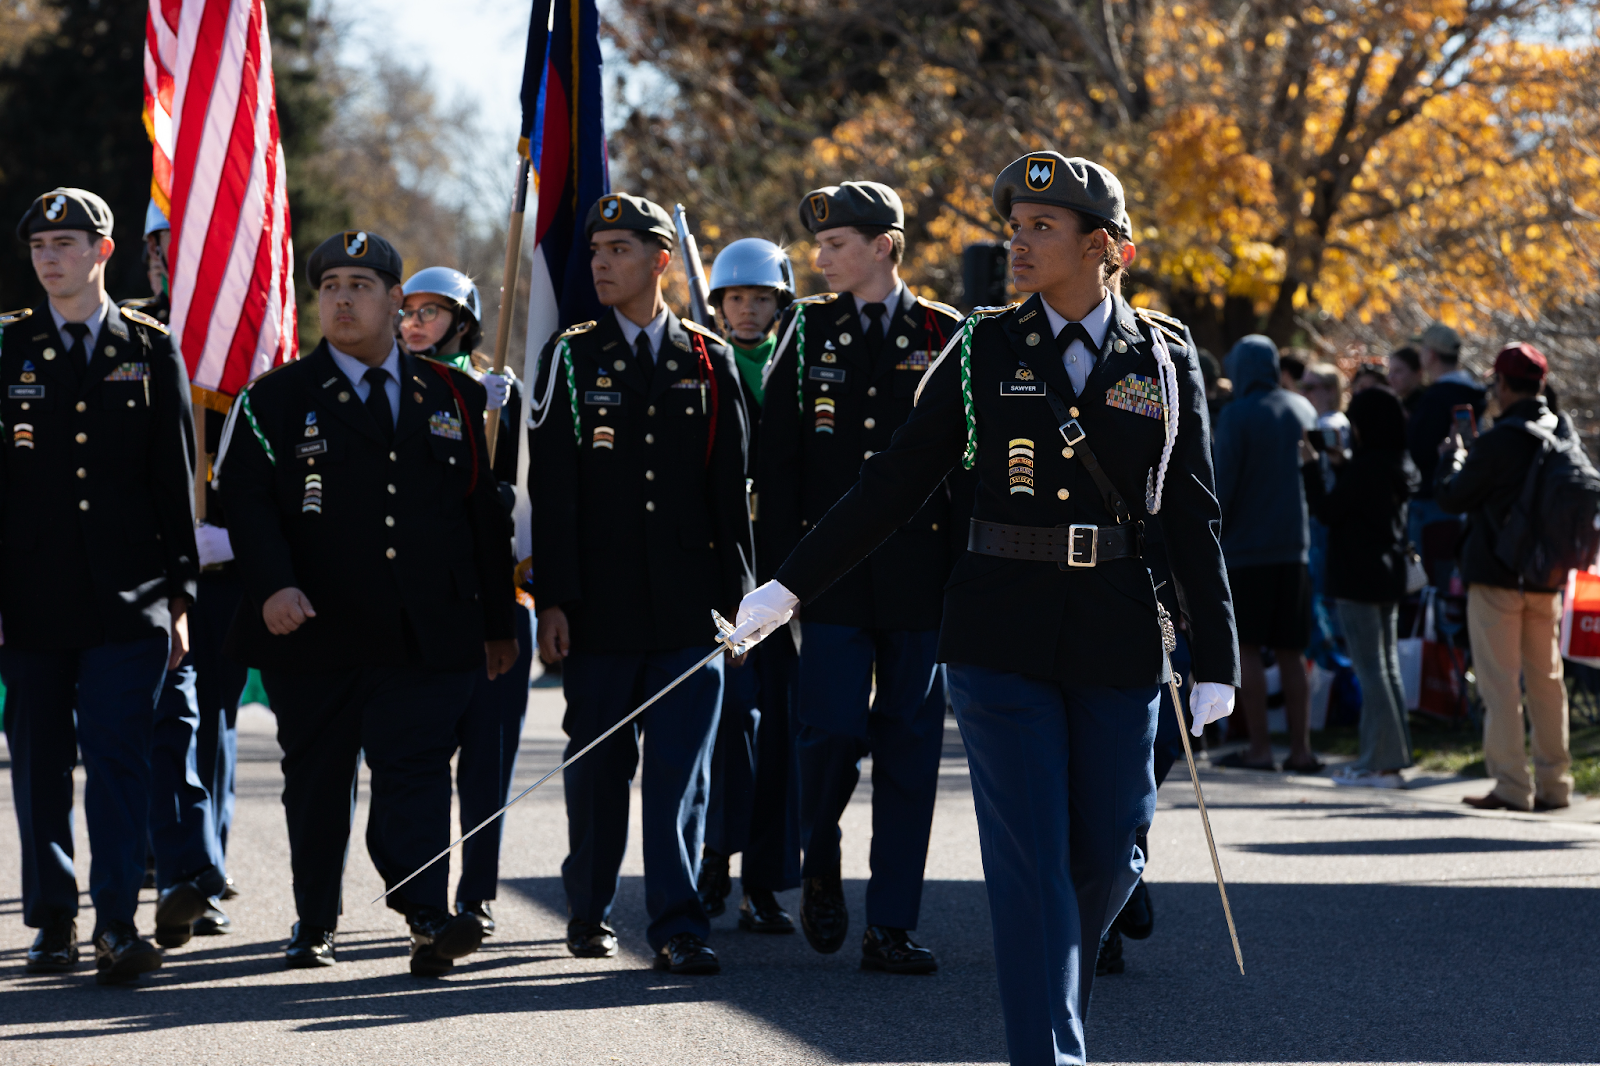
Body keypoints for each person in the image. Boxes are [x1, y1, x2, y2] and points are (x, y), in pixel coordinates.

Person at [729, 151, 1239, 1065]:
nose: (1018, 238)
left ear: (1107, 247)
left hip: (1119, 626)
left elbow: (1191, 508)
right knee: (1030, 858)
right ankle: (1049, 1054)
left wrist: (1222, 660)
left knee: (1108, 853)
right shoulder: (980, 349)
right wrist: (787, 586)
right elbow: (890, 487)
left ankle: (1058, 1004)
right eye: (1014, 222)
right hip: (998, 629)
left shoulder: (1163, 356)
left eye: (1044, 225)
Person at [217, 230, 519, 976]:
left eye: (360, 284)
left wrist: (497, 622)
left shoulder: (453, 395)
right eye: (329, 287)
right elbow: (246, 505)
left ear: (395, 301)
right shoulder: (276, 398)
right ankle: (314, 917)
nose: (343, 299)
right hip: (315, 631)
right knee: (318, 782)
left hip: (426, 634)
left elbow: (481, 512)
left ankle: (424, 916)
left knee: (413, 772)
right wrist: (273, 587)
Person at [526, 193, 754, 975]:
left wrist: (743, 605)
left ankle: (678, 924)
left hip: (693, 610)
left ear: (662, 259)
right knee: (597, 772)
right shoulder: (570, 356)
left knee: (680, 777)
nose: (601, 264)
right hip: (598, 608)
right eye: (595, 251)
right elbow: (551, 491)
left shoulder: (708, 357)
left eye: (620, 249)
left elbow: (733, 499)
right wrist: (551, 599)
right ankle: (587, 909)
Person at [758, 180, 966, 975]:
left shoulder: (947, 333)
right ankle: (820, 853)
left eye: (837, 244)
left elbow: (964, 468)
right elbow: (775, 467)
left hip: (920, 581)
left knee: (910, 753)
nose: (820, 259)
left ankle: (892, 924)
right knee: (829, 735)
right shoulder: (806, 333)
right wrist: (781, 583)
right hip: (832, 581)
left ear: (885, 246)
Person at [0, 188, 198, 984]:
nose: (50, 257)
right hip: (31, 596)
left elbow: (172, 482)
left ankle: (117, 922)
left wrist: (180, 598)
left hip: (130, 596)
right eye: (39, 244)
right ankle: (52, 921)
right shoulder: (8, 348)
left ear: (103, 251)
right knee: (40, 761)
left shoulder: (148, 348)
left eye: (66, 242)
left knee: (119, 759)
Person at [124, 200, 246, 948]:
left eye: (183, 244)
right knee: (142, 715)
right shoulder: (130, 332)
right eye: (160, 247)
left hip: (226, 562)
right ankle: (156, 851)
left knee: (214, 719)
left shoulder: (243, 330)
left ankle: (206, 867)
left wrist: (232, 528)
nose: (170, 258)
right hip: (146, 561)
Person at [398, 265, 533, 936]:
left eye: (433, 310)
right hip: (424, 607)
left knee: (487, 764)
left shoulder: (499, 398)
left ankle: (474, 894)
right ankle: (421, 898)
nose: (417, 320)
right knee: (416, 764)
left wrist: (506, 437)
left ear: (466, 321)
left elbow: (533, 500)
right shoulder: (386, 391)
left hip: (497, 600)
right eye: (410, 309)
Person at [695, 237, 803, 934]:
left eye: (759, 298)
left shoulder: (797, 367)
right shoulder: (701, 366)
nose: (745, 310)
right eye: (734, 298)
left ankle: (766, 882)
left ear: (780, 304)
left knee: (785, 730)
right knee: (726, 722)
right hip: (724, 571)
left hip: (788, 570)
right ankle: (710, 859)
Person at [1435, 343, 1574, 812]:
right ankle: (1556, 784)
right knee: (1547, 683)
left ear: (1504, 384)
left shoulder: (1498, 441)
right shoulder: (1561, 432)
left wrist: (1450, 458)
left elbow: (1453, 498)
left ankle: (1513, 785)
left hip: (1496, 575)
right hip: (1546, 576)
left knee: (1499, 684)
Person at [1213, 334, 1321, 773]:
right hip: (1295, 547)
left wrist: (1211, 540)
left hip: (1246, 550)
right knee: (1293, 651)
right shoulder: (1303, 409)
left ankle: (1259, 748)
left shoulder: (1237, 416)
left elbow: (1222, 488)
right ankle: (1301, 749)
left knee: (1251, 650)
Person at [1301, 387, 1418, 788]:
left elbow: (1329, 511)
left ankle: (1381, 763)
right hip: (1388, 576)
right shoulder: (1393, 462)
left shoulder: (1366, 467)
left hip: (1358, 577)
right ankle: (1383, 758)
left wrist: (1311, 468)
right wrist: (1343, 462)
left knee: (1372, 672)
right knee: (1386, 670)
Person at [1406, 323, 1485, 550]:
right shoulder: (1474, 393)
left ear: (1430, 355)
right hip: (1462, 497)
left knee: (1427, 580)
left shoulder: (1435, 399)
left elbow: (1418, 450)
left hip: (1431, 502)